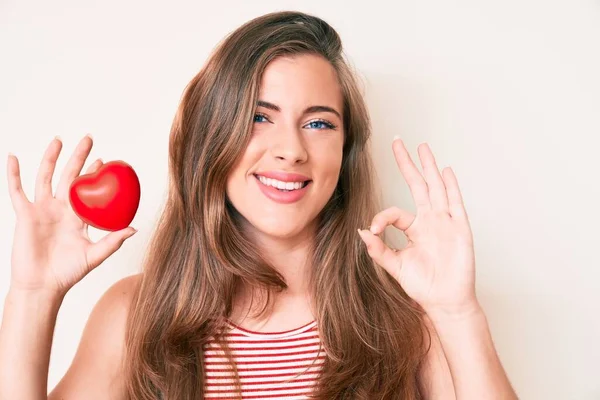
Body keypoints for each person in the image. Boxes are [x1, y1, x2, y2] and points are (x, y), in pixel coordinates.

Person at [0, 10, 517, 400]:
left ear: (345, 151)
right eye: (258, 116)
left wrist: (457, 312)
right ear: (212, 137)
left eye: (319, 123)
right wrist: (32, 294)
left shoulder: (407, 319)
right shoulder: (135, 315)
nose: (291, 148)